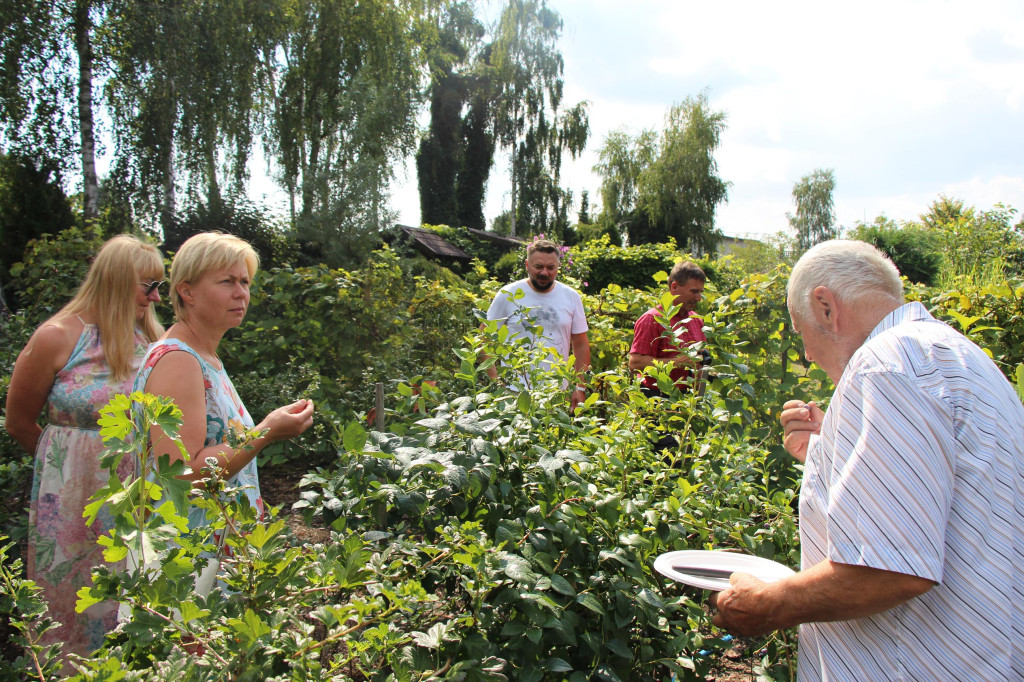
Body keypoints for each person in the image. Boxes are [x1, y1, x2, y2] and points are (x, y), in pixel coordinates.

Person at [710, 240, 1024, 680]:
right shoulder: (959, 357)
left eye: (801, 332)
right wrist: (831, 445)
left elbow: (889, 570)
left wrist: (767, 604)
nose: (805, 355)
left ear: (825, 307)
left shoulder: (884, 366)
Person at [5, 234, 165, 660]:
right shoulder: (56, 337)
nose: (155, 297)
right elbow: (18, 421)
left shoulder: (150, 339)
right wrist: (65, 465)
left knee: (130, 595)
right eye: (147, 285)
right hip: (71, 501)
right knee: (69, 596)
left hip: (136, 496)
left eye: (158, 286)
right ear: (114, 280)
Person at [134, 232, 314, 535]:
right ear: (187, 292)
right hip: (188, 555)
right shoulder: (178, 360)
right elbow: (181, 474)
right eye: (227, 282)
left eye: (244, 282)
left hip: (213, 542)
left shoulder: (203, 356)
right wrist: (265, 431)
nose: (241, 293)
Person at [484, 239, 591, 408]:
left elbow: (581, 344)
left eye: (551, 267)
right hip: (514, 395)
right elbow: (485, 338)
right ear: (527, 265)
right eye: (538, 267)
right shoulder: (508, 294)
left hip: (556, 394)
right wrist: (496, 383)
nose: (544, 273)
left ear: (558, 267)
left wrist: (580, 387)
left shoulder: (570, 296)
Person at [628, 261, 708, 395]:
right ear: (674, 287)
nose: (698, 298)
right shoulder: (652, 319)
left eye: (700, 292)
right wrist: (676, 362)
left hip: (689, 399)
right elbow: (635, 364)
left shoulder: (696, 320)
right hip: (657, 400)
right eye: (694, 291)